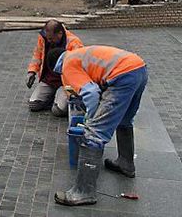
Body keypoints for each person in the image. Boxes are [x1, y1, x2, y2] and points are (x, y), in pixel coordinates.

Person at [52, 45, 148, 206]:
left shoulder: (67, 64)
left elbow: (90, 93)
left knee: (93, 133)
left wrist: (91, 118)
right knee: (124, 120)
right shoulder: (78, 54)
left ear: (56, 66)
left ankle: (83, 192)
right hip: (139, 68)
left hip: (122, 75)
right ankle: (126, 163)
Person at [26, 20, 83, 116]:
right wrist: (32, 71)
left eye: (51, 39)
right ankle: (52, 96)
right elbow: (37, 55)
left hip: (65, 82)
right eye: (48, 38)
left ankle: (59, 98)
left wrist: (73, 92)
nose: (49, 41)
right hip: (49, 79)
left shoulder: (74, 43)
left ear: (60, 34)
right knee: (33, 105)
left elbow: (78, 69)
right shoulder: (44, 37)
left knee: (59, 111)